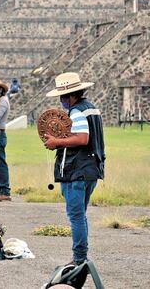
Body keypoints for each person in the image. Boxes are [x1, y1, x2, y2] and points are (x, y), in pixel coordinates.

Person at [42, 72, 105, 265]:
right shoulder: (92, 108)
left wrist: (56, 142)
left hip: (77, 171)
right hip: (91, 170)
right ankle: (81, 255)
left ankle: (79, 258)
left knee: (75, 216)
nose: (61, 101)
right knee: (80, 215)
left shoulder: (77, 111)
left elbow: (82, 138)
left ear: (72, 95)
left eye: (63, 97)